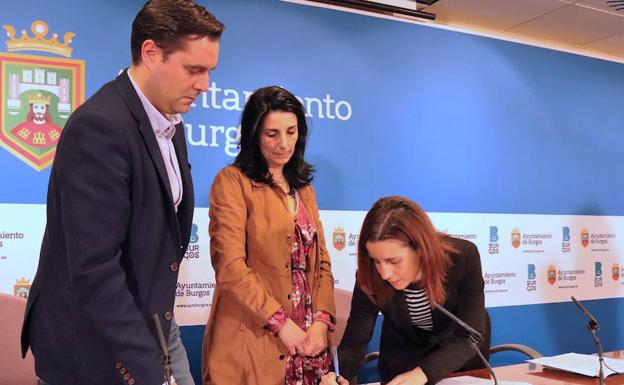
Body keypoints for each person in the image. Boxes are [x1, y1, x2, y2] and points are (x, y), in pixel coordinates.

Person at [20, 2, 224, 385]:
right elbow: (95, 270)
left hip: (154, 319)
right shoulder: (100, 126)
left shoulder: (171, 123)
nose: (204, 85)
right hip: (90, 341)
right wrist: (149, 370)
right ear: (150, 53)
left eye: (209, 71)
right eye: (194, 70)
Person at [202, 86, 336, 385]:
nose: (284, 144)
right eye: (272, 134)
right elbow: (230, 268)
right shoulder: (232, 182)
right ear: (253, 135)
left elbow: (322, 265)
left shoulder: (304, 188)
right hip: (254, 340)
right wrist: (282, 324)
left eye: (291, 132)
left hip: (307, 344)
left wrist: (321, 323)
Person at [321, 196, 486, 385]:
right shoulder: (369, 275)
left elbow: (470, 334)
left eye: (394, 261)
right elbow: (354, 343)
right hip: (402, 363)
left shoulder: (463, 258)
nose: (384, 274)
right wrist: (337, 373)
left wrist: (424, 372)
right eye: (376, 260)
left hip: (457, 363)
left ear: (421, 248)